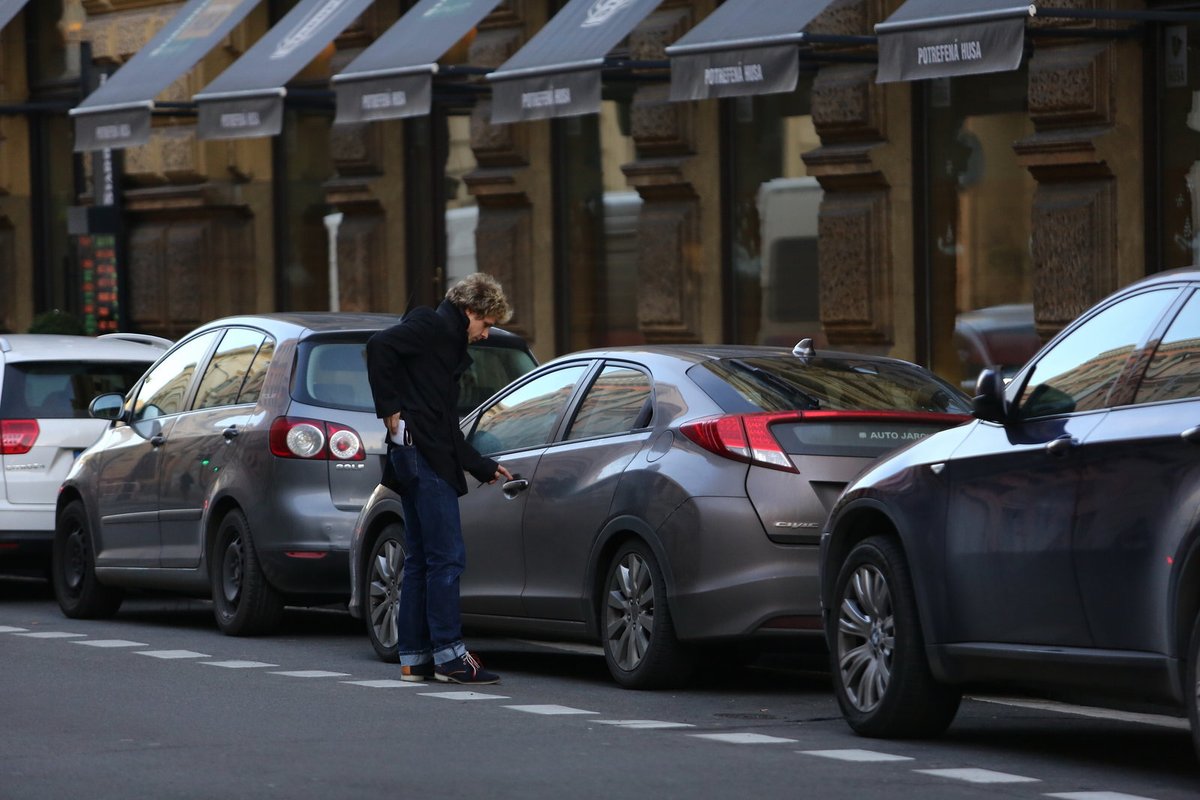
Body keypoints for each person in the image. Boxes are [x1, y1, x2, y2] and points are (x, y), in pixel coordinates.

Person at [366, 273, 514, 685]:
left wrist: (480, 465)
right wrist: (389, 405)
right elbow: (380, 346)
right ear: (470, 311)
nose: (485, 334)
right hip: (422, 457)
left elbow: (444, 422)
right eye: (485, 324)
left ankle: (414, 658)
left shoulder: (442, 337)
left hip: (417, 454)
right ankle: (450, 658)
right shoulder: (432, 327)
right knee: (446, 557)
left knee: (421, 559)